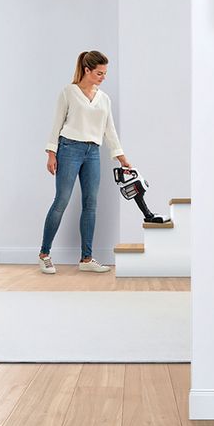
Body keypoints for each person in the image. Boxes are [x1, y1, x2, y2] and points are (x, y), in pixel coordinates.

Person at [38, 50, 130, 274]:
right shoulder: (68, 92)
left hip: (93, 152)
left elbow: (110, 130)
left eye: (105, 73)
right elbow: (57, 124)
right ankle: (44, 254)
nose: (103, 77)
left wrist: (122, 158)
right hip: (69, 148)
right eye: (99, 73)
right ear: (87, 70)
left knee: (91, 204)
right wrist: (51, 153)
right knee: (61, 201)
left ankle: (86, 258)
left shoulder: (104, 99)